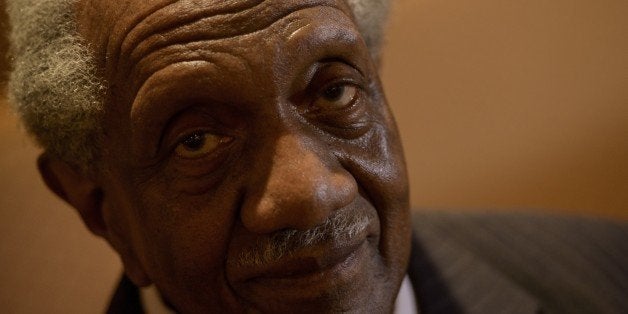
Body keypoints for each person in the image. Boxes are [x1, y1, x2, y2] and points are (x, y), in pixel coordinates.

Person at [6, 1, 627, 313]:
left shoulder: (607, 276)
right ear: (100, 209)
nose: (310, 189)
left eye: (333, 91)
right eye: (196, 140)